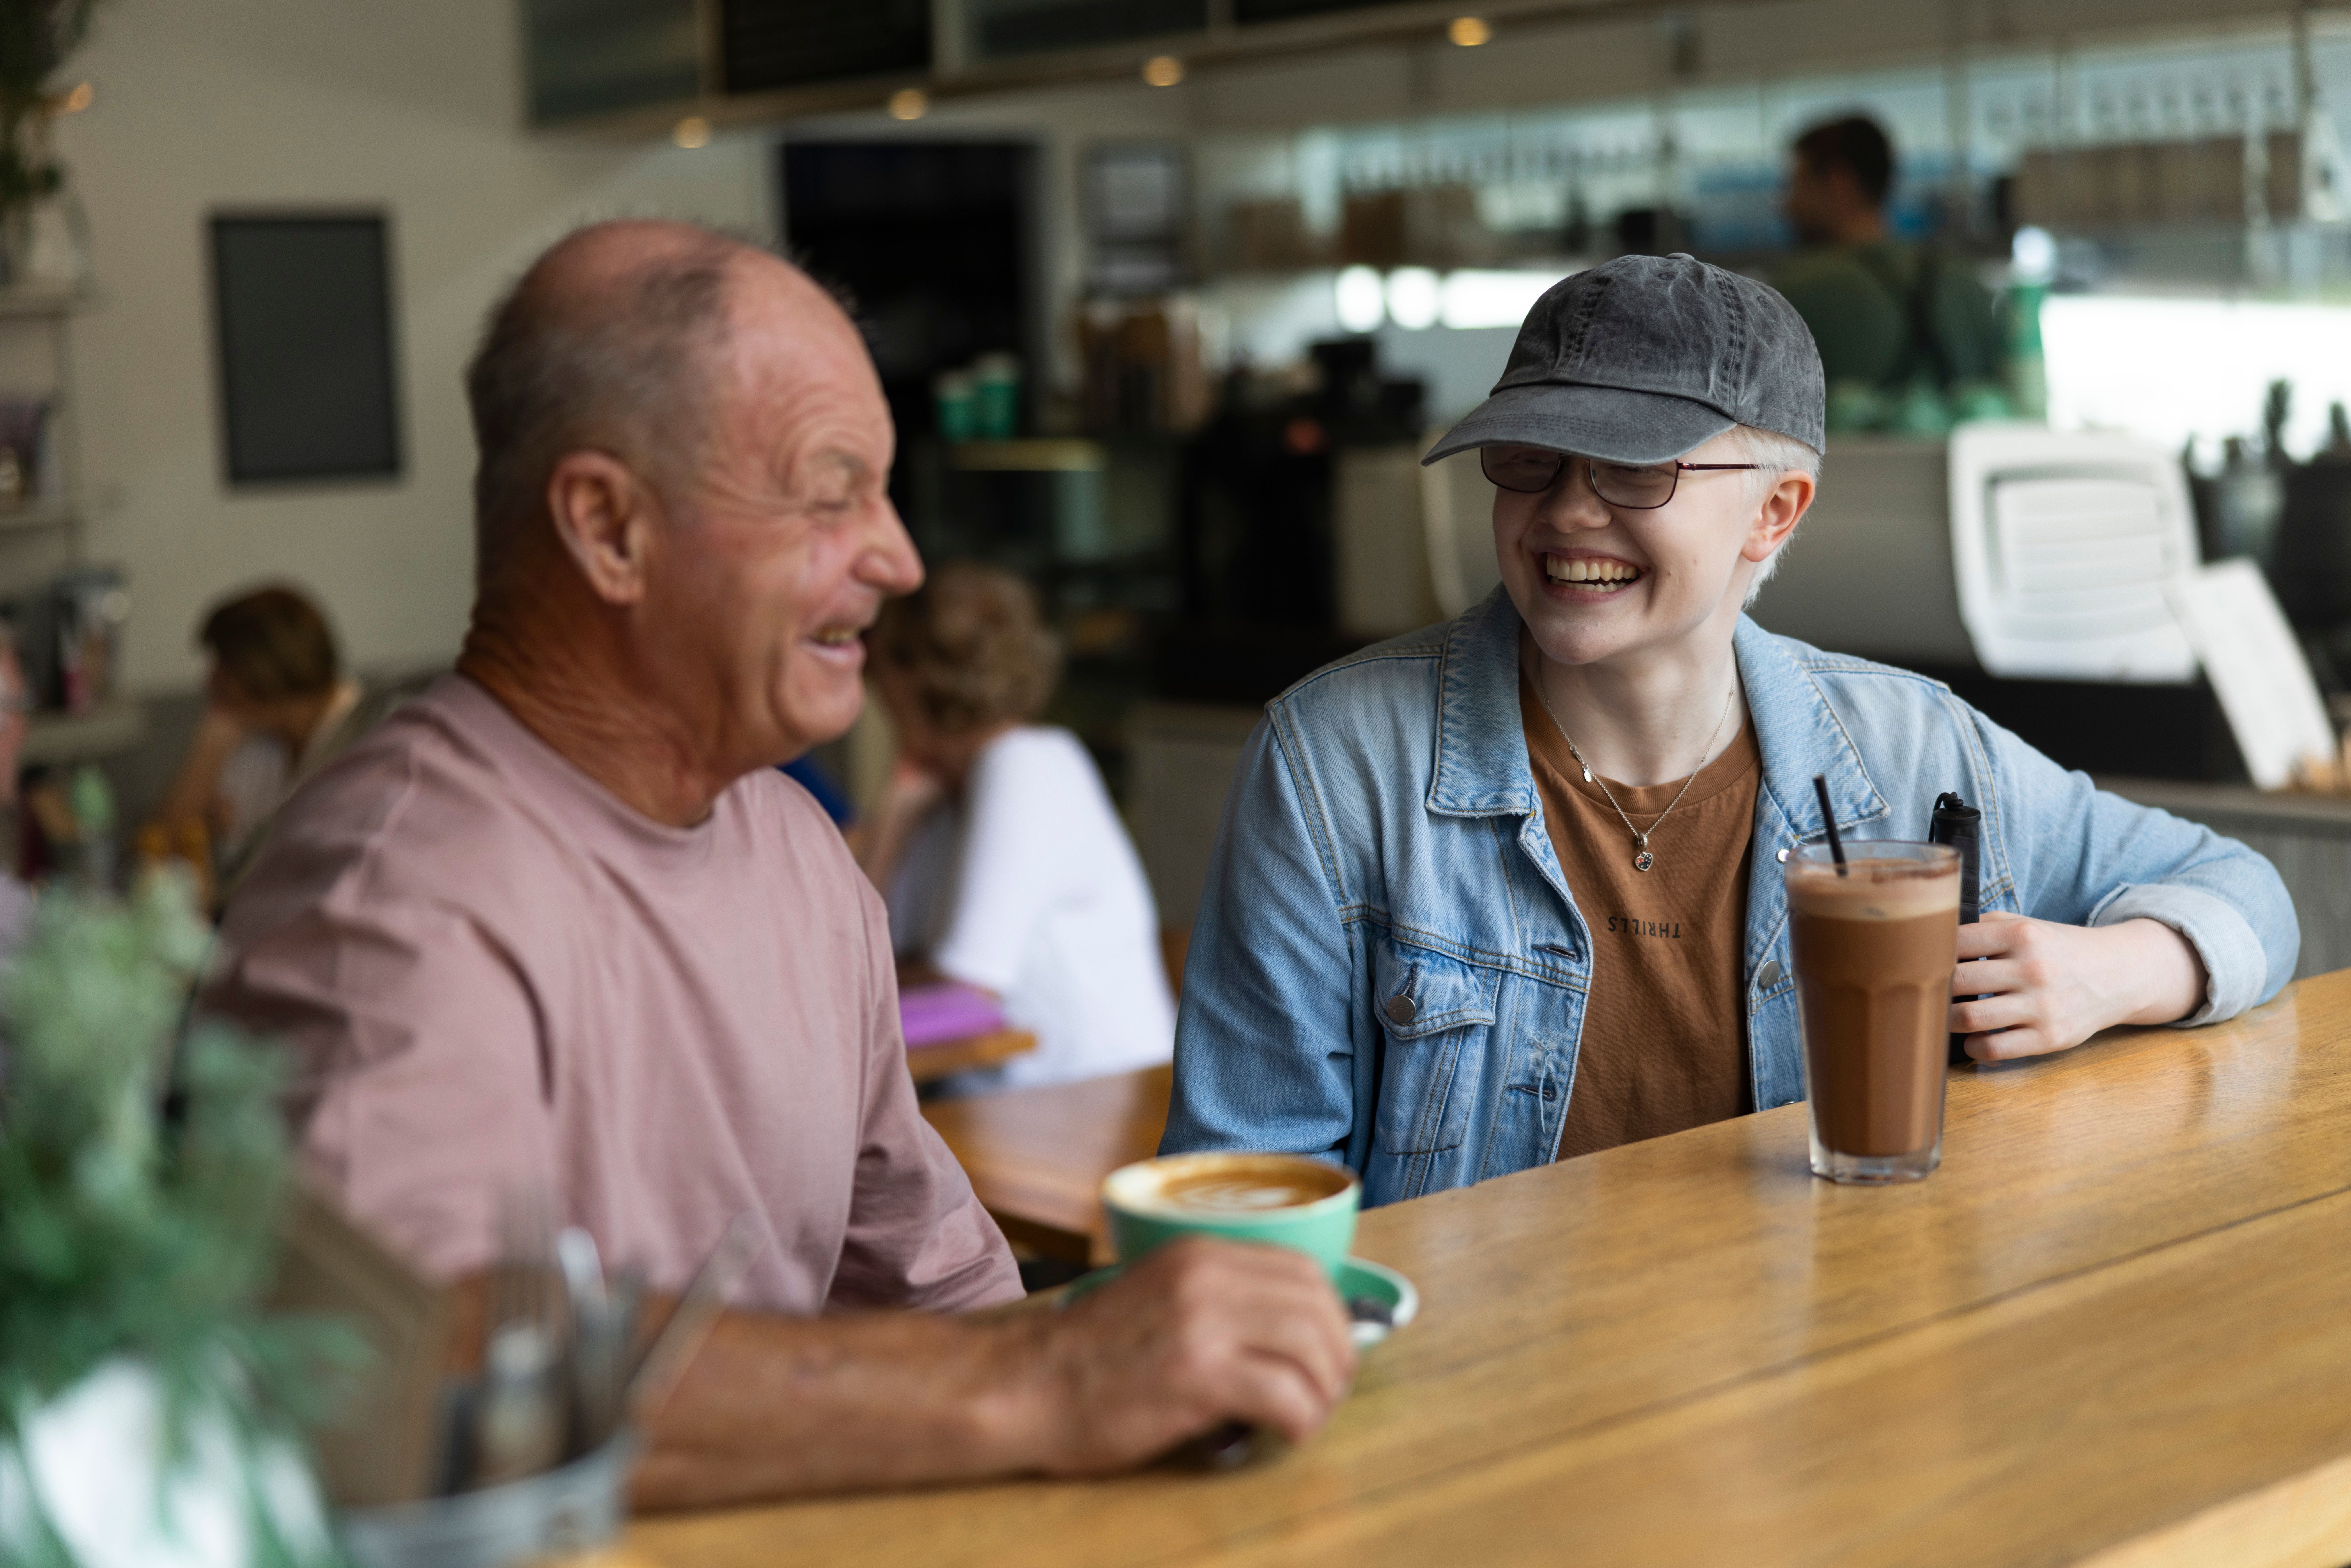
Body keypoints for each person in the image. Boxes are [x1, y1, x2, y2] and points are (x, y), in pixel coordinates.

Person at [202, 220, 1352, 1507]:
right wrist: (1048, 1381)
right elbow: (405, 1372)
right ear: (608, 528)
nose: (899, 558)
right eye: (830, 491)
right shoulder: (393, 885)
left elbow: (940, 1292)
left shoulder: (803, 856)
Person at [1161, 252, 2296, 1206]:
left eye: (1630, 469)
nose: (1564, 511)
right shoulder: (1334, 764)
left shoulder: (1901, 751)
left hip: (1828, 1380)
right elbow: (1241, 1196)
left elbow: (2242, 891)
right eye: (1527, 461)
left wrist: (2110, 969)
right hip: (1469, 1410)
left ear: (1773, 511)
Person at [856, 562, 1173, 1091]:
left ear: (914, 675)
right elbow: (864, 955)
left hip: (1106, 1101)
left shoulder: (1024, 764)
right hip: (1019, 1099)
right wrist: (893, 815)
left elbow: (962, 992)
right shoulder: (941, 795)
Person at [1772, 114, 2002, 407]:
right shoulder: (1966, 283)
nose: (1787, 206)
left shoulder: (1793, 294)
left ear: (1838, 182)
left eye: (1795, 184)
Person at [154, 585, 366, 877]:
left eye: (223, 665)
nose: (210, 682)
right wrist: (211, 744)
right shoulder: (257, 738)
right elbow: (159, 849)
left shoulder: (366, 736)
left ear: (261, 668)